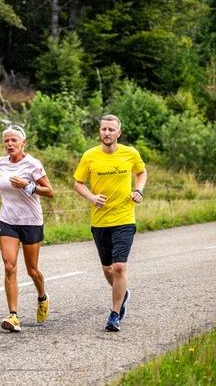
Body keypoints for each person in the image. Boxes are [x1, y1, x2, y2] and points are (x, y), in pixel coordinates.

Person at [73, 114, 147, 332]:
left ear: (118, 133)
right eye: (103, 129)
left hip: (124, 218)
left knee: (119, 266)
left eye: (111, 129)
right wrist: (92, 198)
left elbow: (141, 173)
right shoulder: (90, 156)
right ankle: (122, 292)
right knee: (107, 269)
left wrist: (138, 190)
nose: (107, 133)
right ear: (100, 131)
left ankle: (114, 314)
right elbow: (78, 183)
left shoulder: (130, 153)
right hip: (100, 221)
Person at [0, 125, 54, 332]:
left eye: (13, 141)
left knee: (32, 270)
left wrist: (28, 185)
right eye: (6, 141)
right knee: (9, 266)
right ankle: (13, 316)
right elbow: (3, 181)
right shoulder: (1, 163)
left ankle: (42, 296)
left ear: (23, 143)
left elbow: (49, 191)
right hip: (8, 220)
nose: (9, 144)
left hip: (31, 221)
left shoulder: (33, 164)